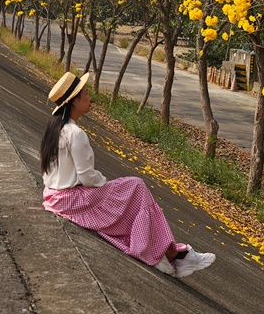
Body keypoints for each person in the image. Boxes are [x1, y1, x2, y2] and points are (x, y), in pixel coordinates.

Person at [40, 71, 216, 278]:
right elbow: (87, 178)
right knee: (137, 186)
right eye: (86, 94)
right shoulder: (75, 133)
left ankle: (173, 254)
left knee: (130, 192)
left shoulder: (54, 129)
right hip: (72, 199)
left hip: (55, 198)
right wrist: (103, 181)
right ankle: (170, 253)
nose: (90, 98)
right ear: (74, 101)